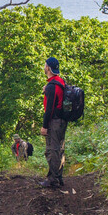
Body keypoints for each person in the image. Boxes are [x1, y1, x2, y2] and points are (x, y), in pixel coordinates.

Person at [40, 57, 67, 188]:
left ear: (49, 68)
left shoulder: (52, 86)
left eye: (45, 65)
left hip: (54, 122)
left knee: (52, 149)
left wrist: (45, 126)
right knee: (59, 149)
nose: (44, 67)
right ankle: (58, 176)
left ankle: (53, 179)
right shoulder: (60, 81)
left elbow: (49, 109)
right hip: (62, 120)